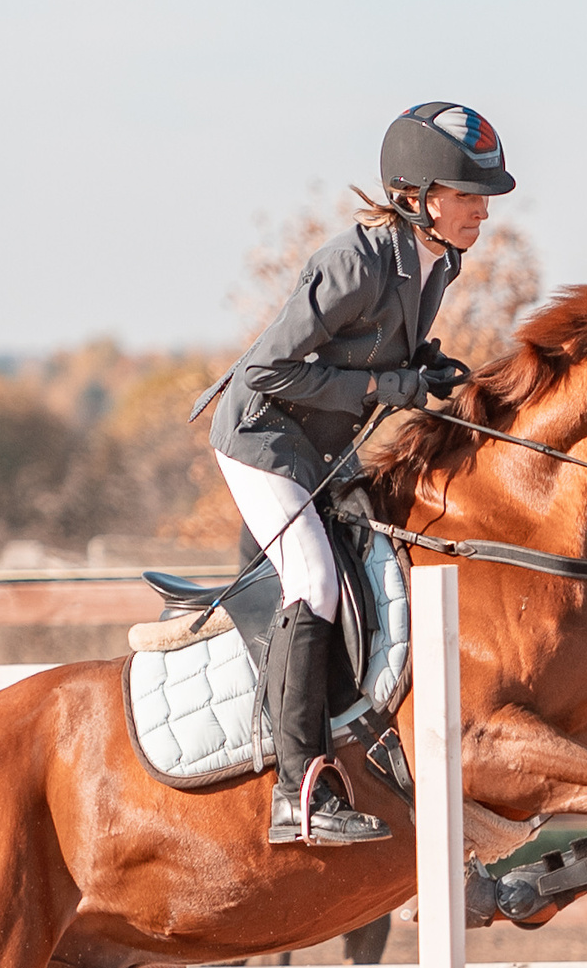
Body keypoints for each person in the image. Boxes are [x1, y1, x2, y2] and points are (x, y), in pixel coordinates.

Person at [199, 101, 515, 845]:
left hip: (322, 446)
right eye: (467, 195)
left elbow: (372, 349)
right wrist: (388, 389)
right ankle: (295, 793)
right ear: (417, 196)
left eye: (484, 196)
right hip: (262, 437)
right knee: (313, 580)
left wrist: (421, 366)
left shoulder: (440, 260)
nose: (481, 212)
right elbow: (268, 371)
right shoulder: (355, 261)